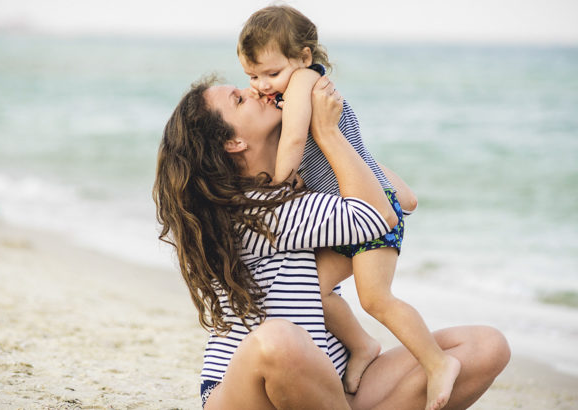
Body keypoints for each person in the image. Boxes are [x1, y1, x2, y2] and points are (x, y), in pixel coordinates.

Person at [153, 74, 510, 409]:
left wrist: (329, 141)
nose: (255, 91)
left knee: (485, 347)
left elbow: (403, 197)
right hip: (247, 391)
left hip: (331, 385)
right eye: (239, 99)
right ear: (233, 142)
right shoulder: (251, 210)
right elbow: (378, 217)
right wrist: (327, 133)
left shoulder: (298, 186)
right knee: (277, 341)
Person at [237, 6, 458, 409]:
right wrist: (266, 93)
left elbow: (293, 143)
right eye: (252, 76)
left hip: (369, 214)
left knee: (375, 298)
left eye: (271, 73)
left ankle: (438, 362)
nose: (263, 85)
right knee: (313, 293)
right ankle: (362, 346)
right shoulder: (289, 87)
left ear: (304, 57)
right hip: (348, 215)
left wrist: (275, 184)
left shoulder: (305, 82)